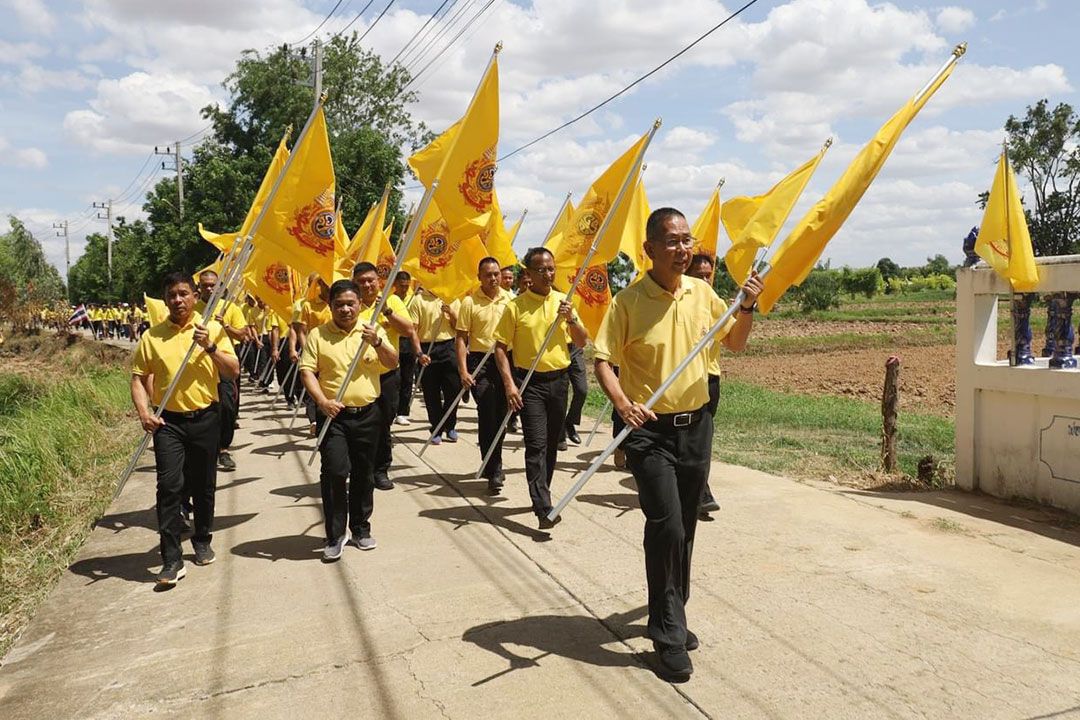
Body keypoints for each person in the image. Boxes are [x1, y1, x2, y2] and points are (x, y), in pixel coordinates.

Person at [593, 207, 762, 679]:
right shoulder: (628, 302)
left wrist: (745, 306)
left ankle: (671, 612)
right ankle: (667, 631)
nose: (682, 249)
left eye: (687, 240)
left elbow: (737, 344)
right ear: (648, 249)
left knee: (686, 526)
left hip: (696, 426)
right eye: (671, 241)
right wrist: (623, 403)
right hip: (649, 432)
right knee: (665, 524)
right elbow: (603, 360)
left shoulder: (703, 293)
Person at [130, 271, 239, 586]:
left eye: (183, 294)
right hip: (169, 423)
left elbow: (232, 372)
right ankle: (172, 559)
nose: (177, 300)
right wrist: (143, 413)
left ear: (194, 296)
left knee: (203, 485)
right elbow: (138, 378)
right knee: (169, 487)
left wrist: (210, 347)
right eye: (171, 295)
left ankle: (202, 537)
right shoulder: (152, 337)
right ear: (165, 300)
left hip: (206, 418)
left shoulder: (212, 329)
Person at [300, 279, 398, 560]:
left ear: (359, 304)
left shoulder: (372, 329)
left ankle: (361, 528)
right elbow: (307, 371)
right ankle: (335, 534)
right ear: (330, 306)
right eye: (339, 304)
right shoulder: (319, 335)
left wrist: (377, 342)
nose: (345, 309)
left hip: (368, 413)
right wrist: (322, 402)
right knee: (334, 471)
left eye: (350, 303)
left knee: (364, 473)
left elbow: (392, 363)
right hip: (335, 417)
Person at [494, 247, 589, 529]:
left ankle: (542, 491)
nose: (548, 274)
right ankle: (543, 506)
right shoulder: (515, 306)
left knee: (550, 445)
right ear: (529, 274)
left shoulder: (564, 302)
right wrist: (510, 384)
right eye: (541, 270)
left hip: (558, 382)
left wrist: (570, 319)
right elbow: (500, 348)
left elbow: (582, 341)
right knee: (535, 444)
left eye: (551, 269)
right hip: (529, 383)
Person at [685, 253, 746, 516]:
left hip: (708, 378)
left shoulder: (713, 302)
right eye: (698, 275)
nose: (704, 279)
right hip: (680, 382)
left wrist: (745, 309)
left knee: (702, 439)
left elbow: (734, 340)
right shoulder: (678, 302)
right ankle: (693, 488)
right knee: (685, 440)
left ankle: (701, 490)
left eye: (707, 275)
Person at [353, 262, 415, 491]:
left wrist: (387, 311)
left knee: (383, 423)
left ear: (379, 281)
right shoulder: (352, 304)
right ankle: (362, 468)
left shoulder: (393, 300)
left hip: (386, 373)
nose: (367, 285)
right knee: (361, 424)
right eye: (361, 281)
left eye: (371, 280)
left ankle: (380, 469)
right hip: (359, 376)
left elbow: (409, 330)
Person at [456, 257, 513, 494]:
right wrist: (463, 370)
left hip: (507, 362)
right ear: (479, 277)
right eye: (488, 274)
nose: (493, 279)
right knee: (488, 413)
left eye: (496, 274)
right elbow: (461, 338)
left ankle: (493, 459)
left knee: (503, 416)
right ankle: (494, 467)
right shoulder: (470, 302)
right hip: (481, 363)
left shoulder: (511, 300)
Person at [196, 271, 249, 472]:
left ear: (220, 287)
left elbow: (243, 335)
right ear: (198, 287)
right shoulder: (193, 308)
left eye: (213, 285)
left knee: (227, 407)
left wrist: (223, 325)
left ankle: (224, 449)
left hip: (225, 360)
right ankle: (206, 446)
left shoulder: (230, 308)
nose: (209, 289)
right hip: (200, 362)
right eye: (205, 285)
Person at [409, 287, 459, 444]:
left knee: (453, 389)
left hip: (449, 346)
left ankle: (450, 425)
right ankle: (436, 427)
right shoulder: (418, 300)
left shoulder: (452, 298)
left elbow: (460, 327)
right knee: (431, 392)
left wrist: (451, 313)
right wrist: (419, 353)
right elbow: (413, 331)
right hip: (427, 348)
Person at [296, 277, 332, 436]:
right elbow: (302, 331)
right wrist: (306, 350)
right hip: (315, 353)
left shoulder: (338, 303)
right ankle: (314, 421)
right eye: (325, 283)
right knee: (313, 388)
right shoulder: (308, 305)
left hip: (334, 355)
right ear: (320, 285)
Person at [391, 271, 420, 425]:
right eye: (401, 286)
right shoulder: (390, 299)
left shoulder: (413, 300)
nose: (404, 289)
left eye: (407, 286)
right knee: (394, 379)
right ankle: (392, 408)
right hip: (393, 342)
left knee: (407, 378)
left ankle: (402, 411)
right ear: (395, 284)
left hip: (408, 342)